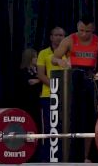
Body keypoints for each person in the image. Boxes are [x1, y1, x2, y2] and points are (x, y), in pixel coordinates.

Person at [53, 15, 98, 163]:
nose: (84, 34)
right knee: (71, 117)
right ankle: (69, 154)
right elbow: (54, 57)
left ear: (93, 29)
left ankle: (85, 156)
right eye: (81, 30)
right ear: (77, 27)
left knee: (89, 119)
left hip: (89, 80)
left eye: (88, 31)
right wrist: (61, 61)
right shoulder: (69, 40)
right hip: (72, 80)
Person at [36, 26, 66, 162]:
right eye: (57, 35)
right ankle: (47, 159)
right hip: (48, 96)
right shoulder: (43, 53)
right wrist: (55, 87)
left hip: (66, 96)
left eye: (62, 35)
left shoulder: (68, 53)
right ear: (51, 37)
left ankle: (63, 158)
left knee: (64, 128)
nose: (59, 37)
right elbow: (41, 75)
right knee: (49, 128)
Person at [18, 48, 42, 161]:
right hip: (27, 105)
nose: (37, 59)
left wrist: (39, 80)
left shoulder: (38, 71)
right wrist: (39, 80)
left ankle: (39, 153)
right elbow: (29, 83)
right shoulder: (23, 72)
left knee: (38, 128)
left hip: (38, 104)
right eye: (35, 57)